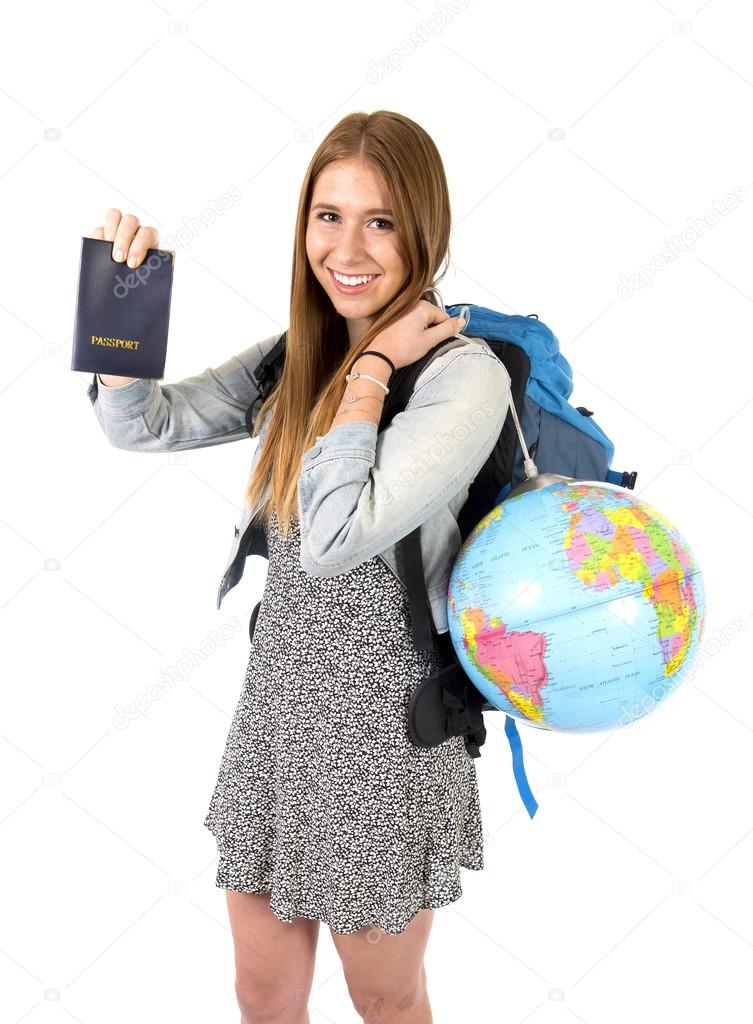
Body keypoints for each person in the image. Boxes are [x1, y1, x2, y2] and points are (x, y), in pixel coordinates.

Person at [88, 109, 511, 1024]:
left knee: (385, 999)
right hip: (279, 716)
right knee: (263, 994)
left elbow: (331, 536)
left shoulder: (458, 377)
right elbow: (143, 424)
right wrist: (115, 314)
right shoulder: (297, 355)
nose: (347, 247)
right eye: (328, 215)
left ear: (423, 228)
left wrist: (371, 370)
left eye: (381, 220)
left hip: (384, 735)